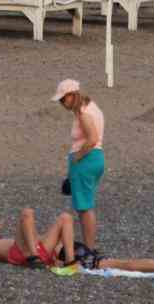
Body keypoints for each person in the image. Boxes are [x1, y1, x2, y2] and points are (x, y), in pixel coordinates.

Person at [0, 209, 154, 280]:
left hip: (49, 252)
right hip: (28, 253)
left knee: (64, 217)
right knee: (26, 213)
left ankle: (68, 260)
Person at [53, 79, 105, 251]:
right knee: (85, 205)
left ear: (72, 95)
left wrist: (77, 158)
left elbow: (92, 138)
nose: (62, 103)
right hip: (96, 159)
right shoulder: (92, 107)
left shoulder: (83, 113)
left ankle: (90, 249)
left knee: (84, 207)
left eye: (63, 99)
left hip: (86, 161)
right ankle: (89, 247)